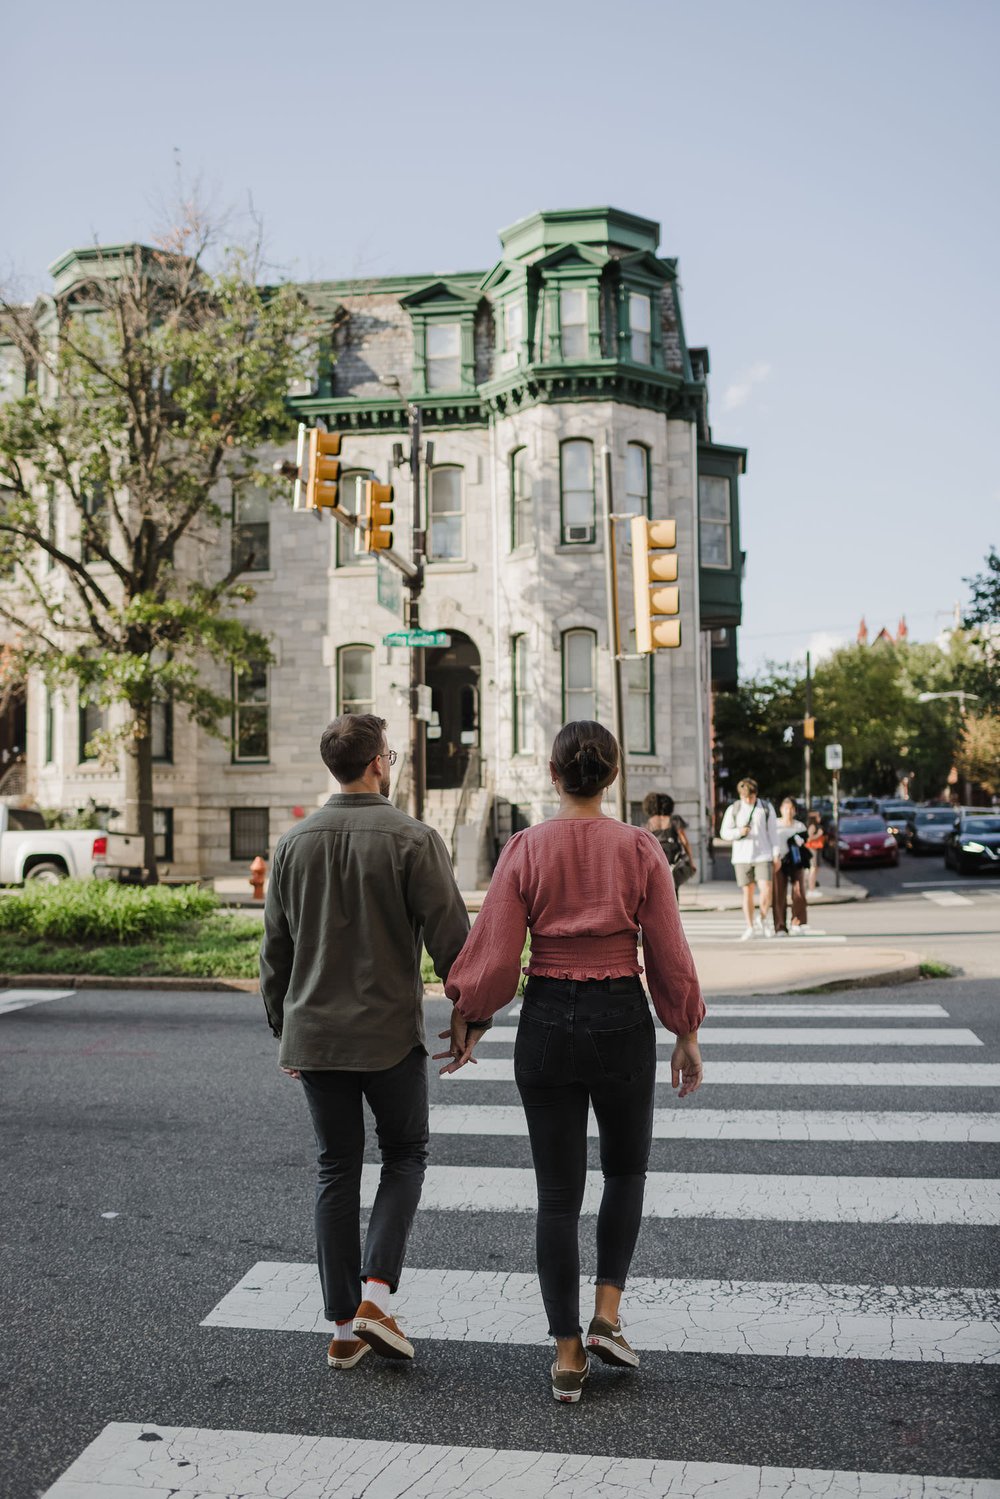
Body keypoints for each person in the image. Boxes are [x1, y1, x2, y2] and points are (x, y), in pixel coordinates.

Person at [438, 720, 705, 1404]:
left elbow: (496, 950)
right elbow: (668, 948)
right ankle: (608, 1315)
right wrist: (684, 1029)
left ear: (554, 776)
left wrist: (471, 1013)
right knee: (625, 1168)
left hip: (549, 1015)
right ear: (611, 776)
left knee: (557, 1194)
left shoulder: (526, 847)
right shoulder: (641, 847)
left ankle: (566, 1357)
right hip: (621, 1013)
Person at [259, 713, 477, 1372]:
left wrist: (284, 1027)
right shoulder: (413, 838)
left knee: (335, 1169)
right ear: (380, 761)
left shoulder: (293, 843)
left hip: (317, 1035)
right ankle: (376, 1293)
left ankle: (343, 1328)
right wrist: (469, 1015)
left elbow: (275, 951)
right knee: (405, 1154)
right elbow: (454, 941)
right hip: (389, 1036)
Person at [719, 777, 780, 940]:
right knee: (748, 892)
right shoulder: (734, 809)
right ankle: (750, 926)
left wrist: (776, 854)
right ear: (740, 795)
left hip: (764, 854)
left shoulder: (766, 808)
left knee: (766, 888)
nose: (748, 800)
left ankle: (763, 918)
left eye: (751, 797)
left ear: (756, 794)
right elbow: (724, 833)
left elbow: (773, 833)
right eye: (745, 797)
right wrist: (739, 832)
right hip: (741, 856)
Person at [642, 791, 696, 891]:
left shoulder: (649, 823)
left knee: (658, 891)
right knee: (674, 889)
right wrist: (691, 861)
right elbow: (685, 841)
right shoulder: (674, 820)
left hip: (657, 860)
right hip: (673, 861)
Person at [772, 798, 810, 935]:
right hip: (780, 861)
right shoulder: (775, 825)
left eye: (791, 809)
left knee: (798, 892)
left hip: (795, 862)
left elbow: (805, 841)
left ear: (794, 811)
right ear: (781, 809)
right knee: (778, 894)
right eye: (786, 808)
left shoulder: (799, 826)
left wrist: (798, 839)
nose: (788, 812)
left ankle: (797, 922)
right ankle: (780, 925)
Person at [805, 811, 825, 893]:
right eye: (818, 817)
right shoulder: (813, 826)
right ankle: (811, 889)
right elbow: (808, 839)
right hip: (812, 849)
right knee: (813, 869)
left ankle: (812, 887)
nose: (819, 818)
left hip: (816, 849)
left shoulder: (816, 826)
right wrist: (818, 835)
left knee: (815, 869)